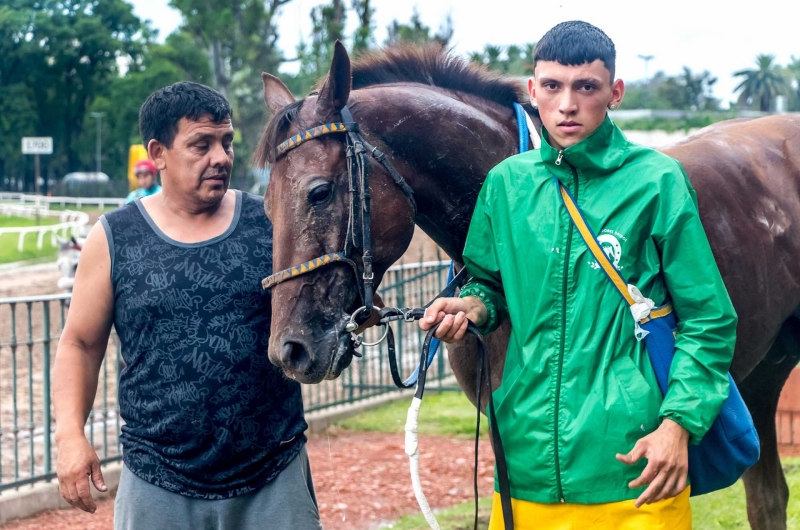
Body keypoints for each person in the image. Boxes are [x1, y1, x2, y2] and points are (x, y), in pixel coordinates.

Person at [420, 21, 736, 529]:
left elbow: (710, 320)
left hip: (633, 465)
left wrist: (678, 425)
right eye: (552, 86)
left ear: (614, 93)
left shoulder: (657, 181)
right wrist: (472, 306)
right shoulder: (506, 185)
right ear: (532, 91)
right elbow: (487, 283)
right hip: (524, 461)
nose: (567, 104)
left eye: (586, 87)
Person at [53, 81, 322, 530]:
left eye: (227, 142)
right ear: (158, 153)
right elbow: (80, 343)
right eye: (201, 144)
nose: (221, 157)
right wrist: (69, 436)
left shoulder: (273, 220)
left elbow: (326, 304)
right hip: (158, 478)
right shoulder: (115, 236)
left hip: (272, 474)